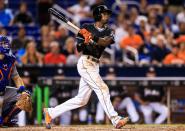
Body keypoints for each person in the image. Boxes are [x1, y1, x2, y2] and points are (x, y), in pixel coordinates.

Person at [43, 5, 129, 129]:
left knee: (81, 99)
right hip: (85, 63)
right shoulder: (85, 28)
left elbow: (106, 42)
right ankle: (115, 119)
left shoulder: (109, 30)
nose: (107, 16)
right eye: (104, 13)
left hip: (95, 65)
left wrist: (92, 37)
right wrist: (85, 41)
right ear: (98, 15)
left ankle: (51, 112)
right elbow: (79, 48)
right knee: (102, 88)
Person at [0, 35, 32, 127]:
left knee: (25, 96)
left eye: (5, 43)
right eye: (1, 44)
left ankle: (7, 119)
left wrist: (22, 90)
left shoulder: (10, 59)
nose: (4, 46)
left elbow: (16, 77)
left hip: (3, 91)